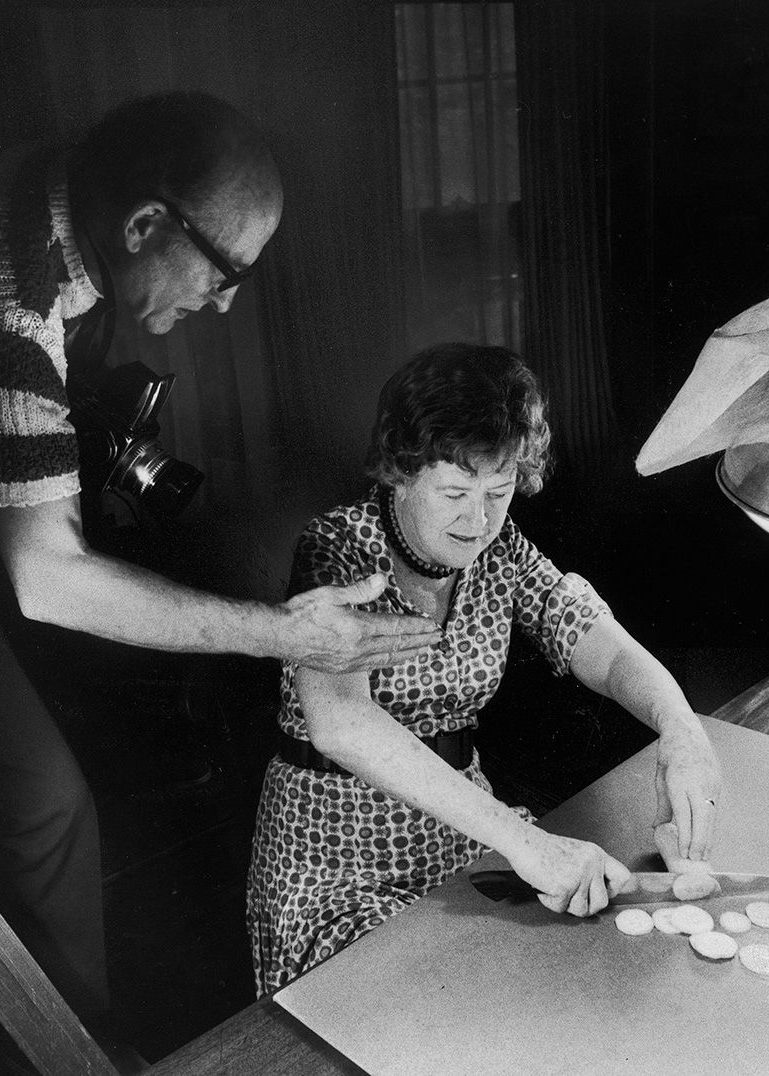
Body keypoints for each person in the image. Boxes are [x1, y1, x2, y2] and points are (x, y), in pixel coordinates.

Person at [0, 91, 439, 1057]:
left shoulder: (72, 183)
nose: (222, 305)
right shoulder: (14, 298)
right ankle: (70, 1052)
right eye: (224, 274)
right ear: (144, 224)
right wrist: (288, 633)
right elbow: (50, 581)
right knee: (44, 805)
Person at [247, 342, 724, 996]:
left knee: (537, 996)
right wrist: (529, 846)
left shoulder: (500, 549)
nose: (477, 522)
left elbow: (597, 642)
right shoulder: (336, 546)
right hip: (335, 858)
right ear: (399, 471)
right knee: (432, 1012)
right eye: (454, 492)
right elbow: (342, 724)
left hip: (459, 836)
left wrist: (682, 730)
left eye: (499, 492)